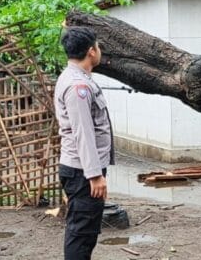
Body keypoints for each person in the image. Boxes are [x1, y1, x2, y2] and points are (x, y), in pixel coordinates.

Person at [55, 26, 115, 260]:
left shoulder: (76, 78)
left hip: (82, 169)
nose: (99, 51)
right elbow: (83, 132)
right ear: (91, 51)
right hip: (82, 172)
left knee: (85, 232)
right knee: (81, 233)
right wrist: (94, 175)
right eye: (98, 46)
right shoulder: (77, 86)